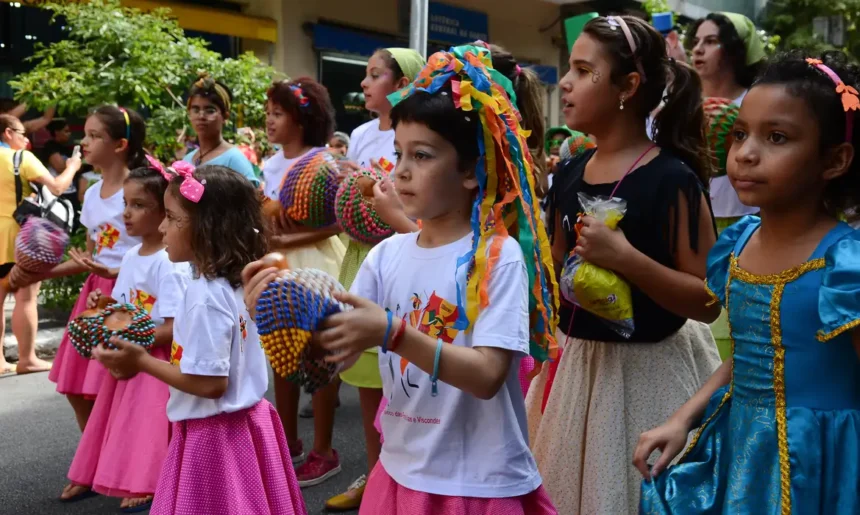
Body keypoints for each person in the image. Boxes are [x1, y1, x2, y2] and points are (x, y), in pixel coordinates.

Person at [245, 43, 558, 515]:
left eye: (424, 155)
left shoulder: (497, 256)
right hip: (398, 472)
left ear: (473, 170)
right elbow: (334, 350)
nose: (402, 171)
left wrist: (392, 332)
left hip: (476, 484)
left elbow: (489, 375)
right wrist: (278, 305)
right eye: (399, 153)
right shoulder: (386, 255)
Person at [637, 50, 860, 514]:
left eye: (776, 137)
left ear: (835, 160)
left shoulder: (846, 263)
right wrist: (682, 419)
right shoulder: (737, 243)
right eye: (741, 135)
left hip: (821, 460)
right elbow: (750, 355)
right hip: (740, 447)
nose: (746, 153)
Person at [527, 16, 723, 514]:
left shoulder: (672, 179)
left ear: (628, 86)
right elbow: (551, 271)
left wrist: (625, 260)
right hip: (576, 372)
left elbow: (706, 301)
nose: (565, 82)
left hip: (649, 376)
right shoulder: (569, 172)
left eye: (583, 70)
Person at [94, 165, 306, 515]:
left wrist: (141, 362)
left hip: (214, 436)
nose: (162, 227)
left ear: (209, 227)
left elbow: (209, 384)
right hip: (248, 425)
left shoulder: (204, 296)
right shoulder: (236, 281)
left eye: (173, 219)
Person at [325, 47, 425, 511]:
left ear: (403, 82)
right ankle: (375, 474)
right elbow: (356, 193)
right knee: (368, 376)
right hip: (364, 255)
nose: (364, 83)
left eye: (374, 75)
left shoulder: (420, 131)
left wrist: (373, 191)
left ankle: (410, 478)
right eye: (364, 75)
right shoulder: (362, 133)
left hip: (407, 252)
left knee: (407, 379)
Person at [62, 164, 191, 512]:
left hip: (155, 358)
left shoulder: (170, 261)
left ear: (165, 213)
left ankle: (149, 481)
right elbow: (125, 307)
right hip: (134, 353)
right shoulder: (132, 256)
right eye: (125, 204)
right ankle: (128, 476)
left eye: (138, 205)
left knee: (149, 422)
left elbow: (176, 325)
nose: (126, 214)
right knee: (127, 420)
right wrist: (104, 306)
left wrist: (136, 344)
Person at [261, 77, 346, 488]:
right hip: (279, 265)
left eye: (278, 113)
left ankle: (324, 449)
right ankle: (288, 441)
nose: (270, 120)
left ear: (301, 119)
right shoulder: (269, 163)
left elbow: (335, 222)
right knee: (283, 352)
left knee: (322, 356)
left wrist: (286, 237)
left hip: (316, 266)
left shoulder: (321, 161)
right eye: (269, 113)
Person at [43, 106, 146, 432]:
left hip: (128, 295)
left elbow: (161, 248)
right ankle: (94, 457)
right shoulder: (90, 192)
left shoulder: (140, 189)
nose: (83, 142)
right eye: (84, 134)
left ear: (120, 145)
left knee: (110, 387)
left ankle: (112, 460)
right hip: (93, 295)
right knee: (75, 385)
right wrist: (40, 272)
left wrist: (118, 274)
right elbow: (90, 257)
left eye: (94, 135)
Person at [0, 114, 82, 375]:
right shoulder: (20, 158)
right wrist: (72, 166)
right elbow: (57, 187)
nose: (26, 138)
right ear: (7, 133)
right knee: (26, 297)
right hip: (18, 237)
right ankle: (27, 359)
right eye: (21, 133)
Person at [182, 74, 259, 186]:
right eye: (196, 110)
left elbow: (252, 200)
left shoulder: (234, 159)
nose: (201, 116)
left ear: (225, 116)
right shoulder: (188, 159)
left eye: (210, 110)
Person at [42, 119, 87, 223]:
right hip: (57, 192)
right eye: (66, 131)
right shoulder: (50, 146)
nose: (69, 134)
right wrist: (73, 165)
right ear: (57, 132)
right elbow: (60, 167)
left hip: (72, 190)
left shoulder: (67, 148)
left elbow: (80, 167)